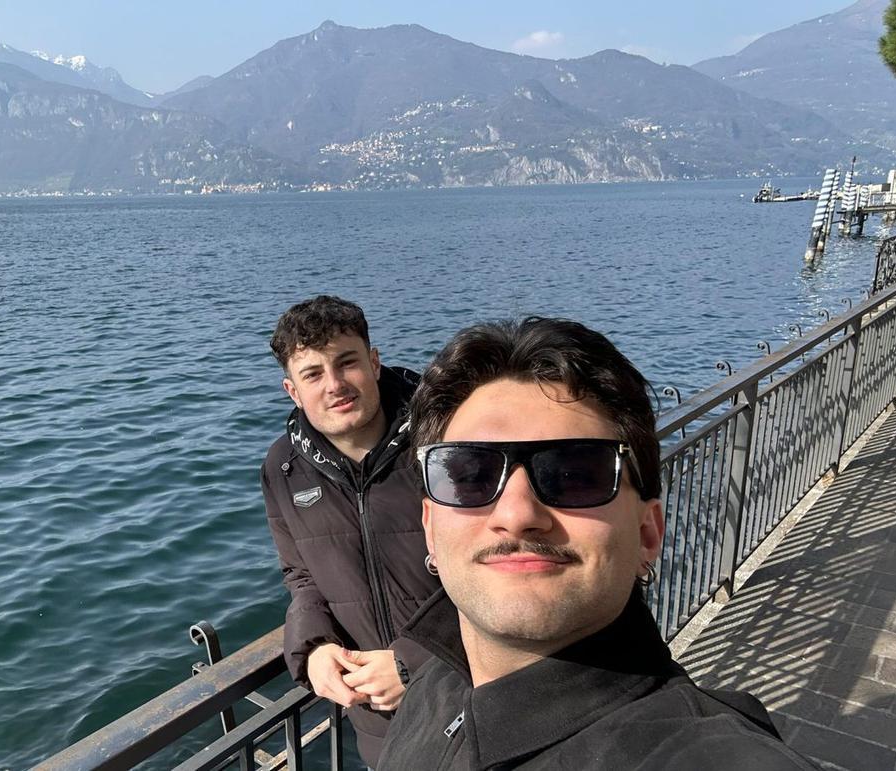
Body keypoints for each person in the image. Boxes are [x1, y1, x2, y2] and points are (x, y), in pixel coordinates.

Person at [377, 318, 816, 770]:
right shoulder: (434, 682)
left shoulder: (708, 754)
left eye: (574, 476)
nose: (517, 515)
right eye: (470, 476)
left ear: (648, 532)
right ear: (430, 526)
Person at [262, 295, 440, 768]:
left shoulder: (441, 440)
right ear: (292, 391)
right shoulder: (284, 467)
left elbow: (501, 566)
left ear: (375, 362)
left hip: (474, 688)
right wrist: (314, 647)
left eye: (347, 363)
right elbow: (301, 575)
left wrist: (415, 660)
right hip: (380, 723)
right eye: (313, 374)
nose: (335, 385)